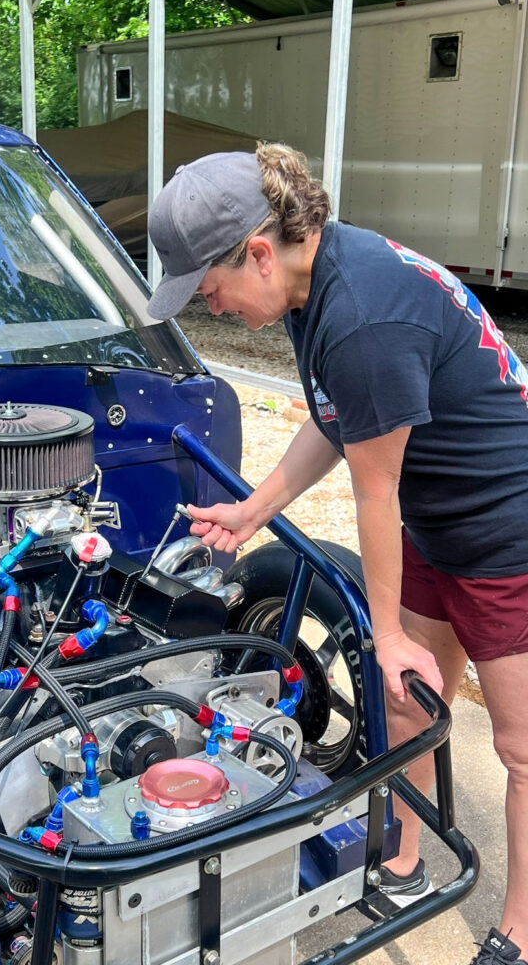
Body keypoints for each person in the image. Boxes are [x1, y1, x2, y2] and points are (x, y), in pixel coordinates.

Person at [145, 143, 528, 965]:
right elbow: (334, 415)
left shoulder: (361, 316)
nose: (211, 311)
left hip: (507, 531)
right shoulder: (313, 281)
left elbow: (373, 490)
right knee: (408, 703)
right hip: (436, 517)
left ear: (256, 250)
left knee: (519, 747)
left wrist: (384, 632)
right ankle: (405, 859)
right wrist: (254, 510)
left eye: (209, 292)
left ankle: (522, 928)